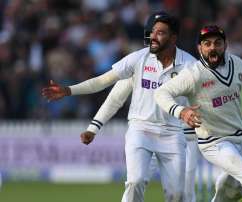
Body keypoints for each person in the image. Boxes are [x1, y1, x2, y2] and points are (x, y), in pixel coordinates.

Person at [42, 12, 196, 202]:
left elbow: (202, 99)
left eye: (160, 33)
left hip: (173, 133)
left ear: (173, 38)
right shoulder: (139, 58)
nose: (153, 37)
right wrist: (69, 91)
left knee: (178, 196)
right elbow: (105, 83)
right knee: (135, 181)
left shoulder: (189, 65)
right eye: (152, 32)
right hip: (141, 129)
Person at [154, 25, 242, 202]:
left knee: (232, 190)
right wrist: (181, 111)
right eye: (207, 44)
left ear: (225, 45)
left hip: (239, 139)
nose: (212, 48)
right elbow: (160, 93)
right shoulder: (194, 74)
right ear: (200, 48)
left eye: (217, 43)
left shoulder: (238, 64)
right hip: (214, 142)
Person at [80, 78, 199, 202]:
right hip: (144, 134)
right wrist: (93, 127)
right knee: (134, 183)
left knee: (183, 193)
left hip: (181, 135)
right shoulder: (137, 61)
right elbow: (114, 98)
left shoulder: (188, 64)